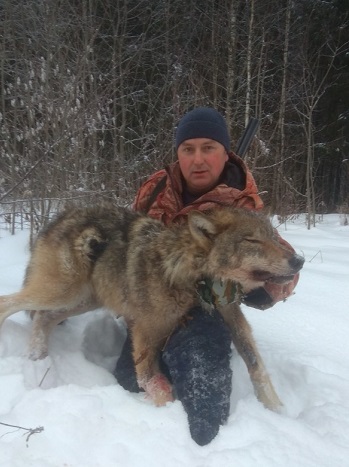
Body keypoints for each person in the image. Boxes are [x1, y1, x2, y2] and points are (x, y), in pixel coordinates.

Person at [113, 107, 299, 446]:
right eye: (188, 149)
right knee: (129, 376)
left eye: (209, 147)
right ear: (178, 153)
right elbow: (129, 238)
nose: (198, 159)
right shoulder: (156, 188)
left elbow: (282, 262)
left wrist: (257, 288)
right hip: (157, 301)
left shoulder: (243, 202)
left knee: (205, 403)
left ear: (225, 152)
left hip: (205, 310)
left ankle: (212, 450)